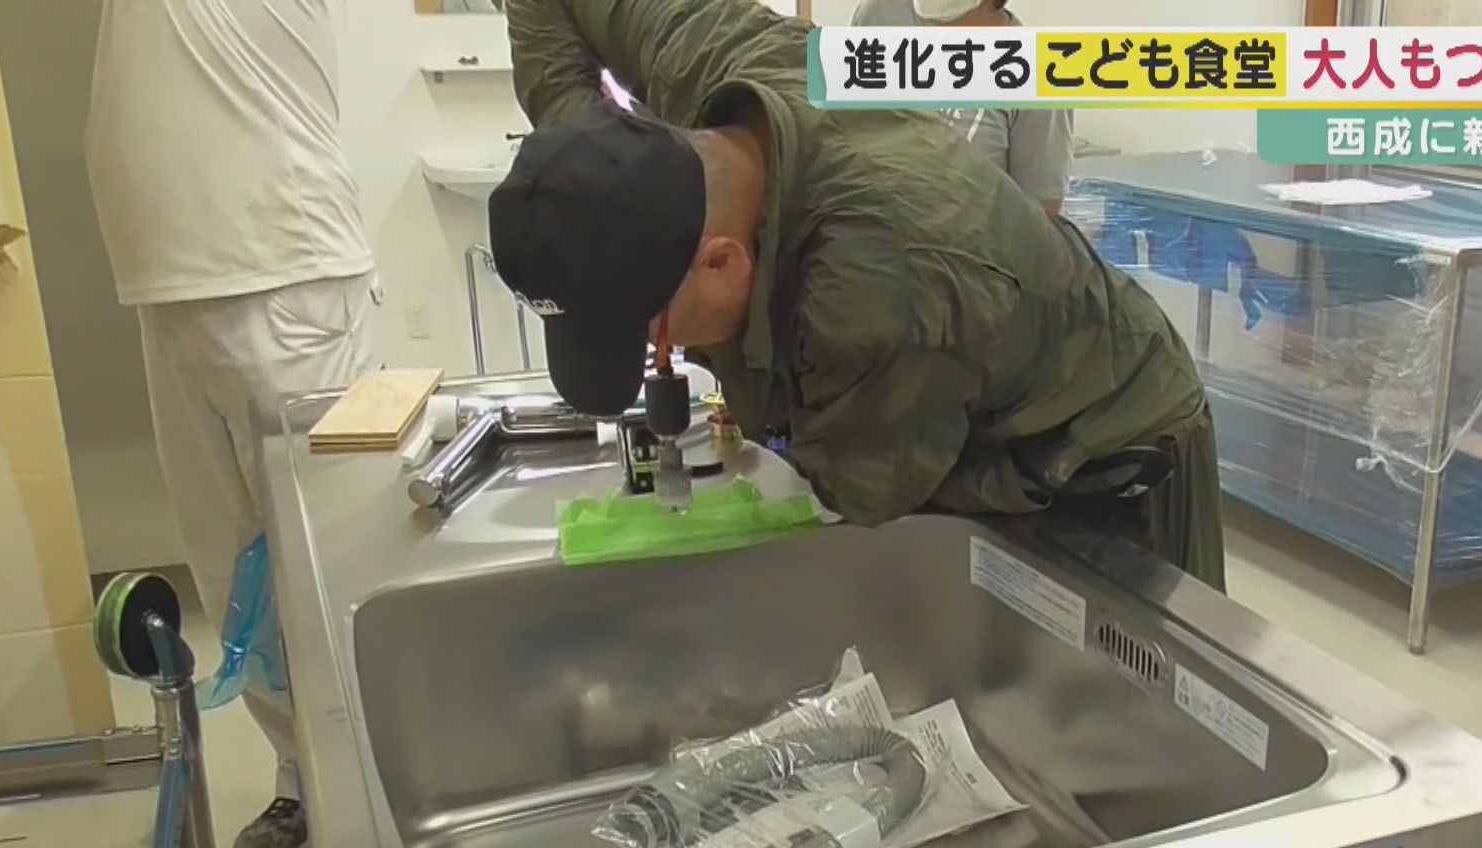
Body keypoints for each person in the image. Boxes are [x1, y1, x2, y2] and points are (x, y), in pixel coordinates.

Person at [501, 0, 1223, 587]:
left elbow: (864, 495)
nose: (664, 356)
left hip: (1109, 448)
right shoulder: (700, 54)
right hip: (958, 379)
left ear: (722, 265)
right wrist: (598, 180)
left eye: (657, 335)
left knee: (1112, 712)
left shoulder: (869, 303)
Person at [87, 0, 380, 848]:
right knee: (230, 574)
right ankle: (304, 774)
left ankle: (378, 783)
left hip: (284, 274)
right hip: (168, 287)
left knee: (327, 566)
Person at [850, 0, 1075, 217]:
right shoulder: (878, 18)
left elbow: (1041, 215)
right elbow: (847, 141)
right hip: (866, 229)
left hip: (967, 239)